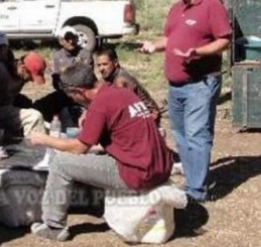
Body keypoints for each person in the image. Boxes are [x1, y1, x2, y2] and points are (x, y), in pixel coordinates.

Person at [28, 64, 173, 241]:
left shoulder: (100, 105)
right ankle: (94, 203)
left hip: (139, 173)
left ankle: (53, 225)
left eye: (72, 96)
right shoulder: (122, 92)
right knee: (93, 155)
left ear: (78, 91)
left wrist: (43, 139)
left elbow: (79, 148)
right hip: (161, 166)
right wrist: (89, 114)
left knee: (61, 163)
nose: (73, 100)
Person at [138, 0, 231, 202]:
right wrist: (153, 45)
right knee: (180, 135)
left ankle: (196, 192)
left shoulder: (212, 6)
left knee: (197, 135)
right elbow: (169, 38)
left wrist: (199, 52)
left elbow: (224, 40)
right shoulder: (177, 8)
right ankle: (192, 181)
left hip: (200, 83)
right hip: (175, 85)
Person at [32, 26, 93, 124]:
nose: (70, 41)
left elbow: (85, 78)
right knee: (39, 106)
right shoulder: (58, 56)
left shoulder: (85, 54)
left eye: (73, 38)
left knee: (69, 112)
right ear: (61, 41)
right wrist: (64, 89)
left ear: (77, 39)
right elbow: (56, 80)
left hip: (81, 92)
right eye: (67, 38)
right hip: (64, 92)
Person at [0, 52, 47, 138]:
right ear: (23, 68)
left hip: (7, 107)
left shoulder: (21, 74)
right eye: (30, 77)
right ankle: (33, 147)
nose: (31, 80)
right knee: (34, 117)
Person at [96, 46, 161, 126]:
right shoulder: (109, 76)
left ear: (115, 62)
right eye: (99, 65)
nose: (101, 69)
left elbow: (119, 109)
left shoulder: (121, 80)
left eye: (105, 64)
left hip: (150, 115)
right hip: (137, 113)